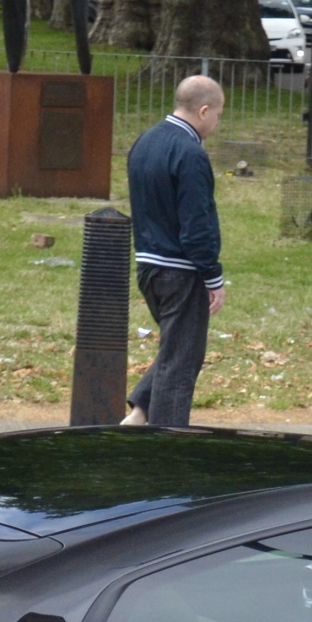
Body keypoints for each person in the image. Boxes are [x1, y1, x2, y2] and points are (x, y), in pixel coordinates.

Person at [121, 75, 226, 429]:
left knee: (178, 348)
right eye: (218, 115)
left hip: (148, 265)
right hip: (181, 270)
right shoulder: (191, 154)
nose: (217, 123)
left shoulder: (144, 142)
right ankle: (164, 441)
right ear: (204, 110)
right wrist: (213, 275)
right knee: (181, 362)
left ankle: (140, 412)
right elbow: (197, 224)